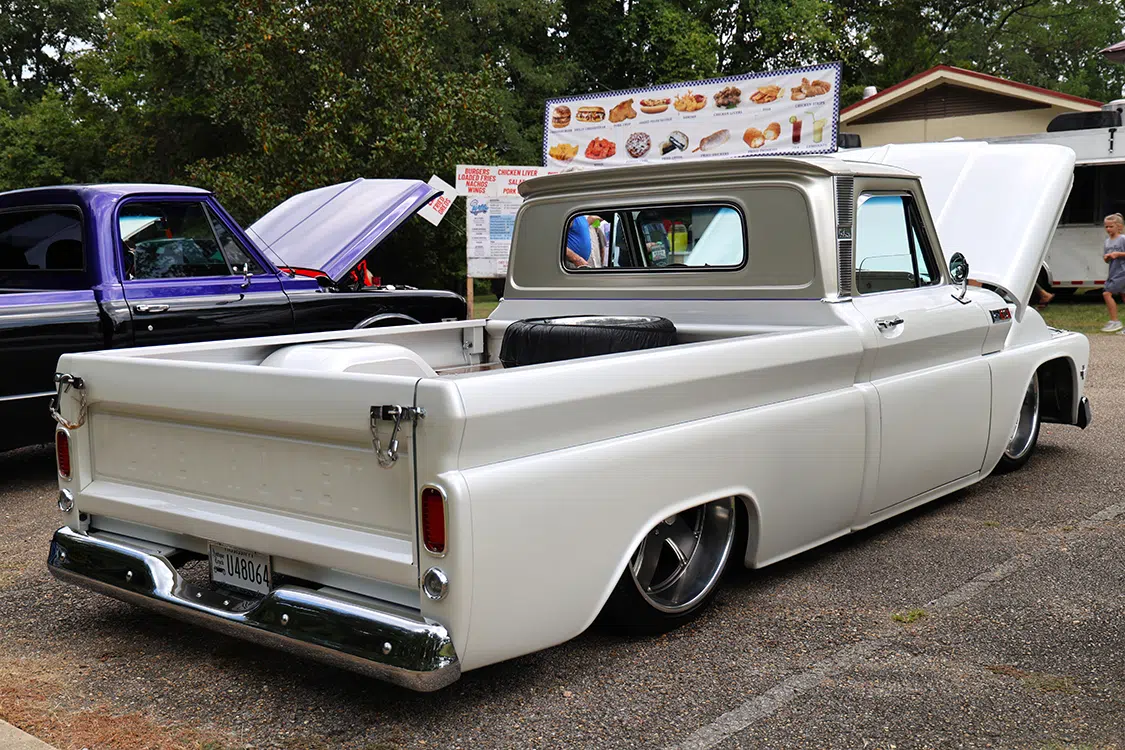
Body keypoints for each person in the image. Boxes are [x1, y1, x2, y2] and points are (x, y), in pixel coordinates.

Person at [1100, 212, 1125, 333]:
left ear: (1119, 227)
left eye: (1111, 226)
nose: (1108, 229)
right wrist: (1107, 258)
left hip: (1122, 272)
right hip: (1114, 272)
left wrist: (1118, 254)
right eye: (1106, 226)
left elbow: (1120, 254)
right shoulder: (1107, 242)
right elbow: (1106, 259)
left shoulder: (1123, 239)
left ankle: (1115, 321)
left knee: (1107, 293)